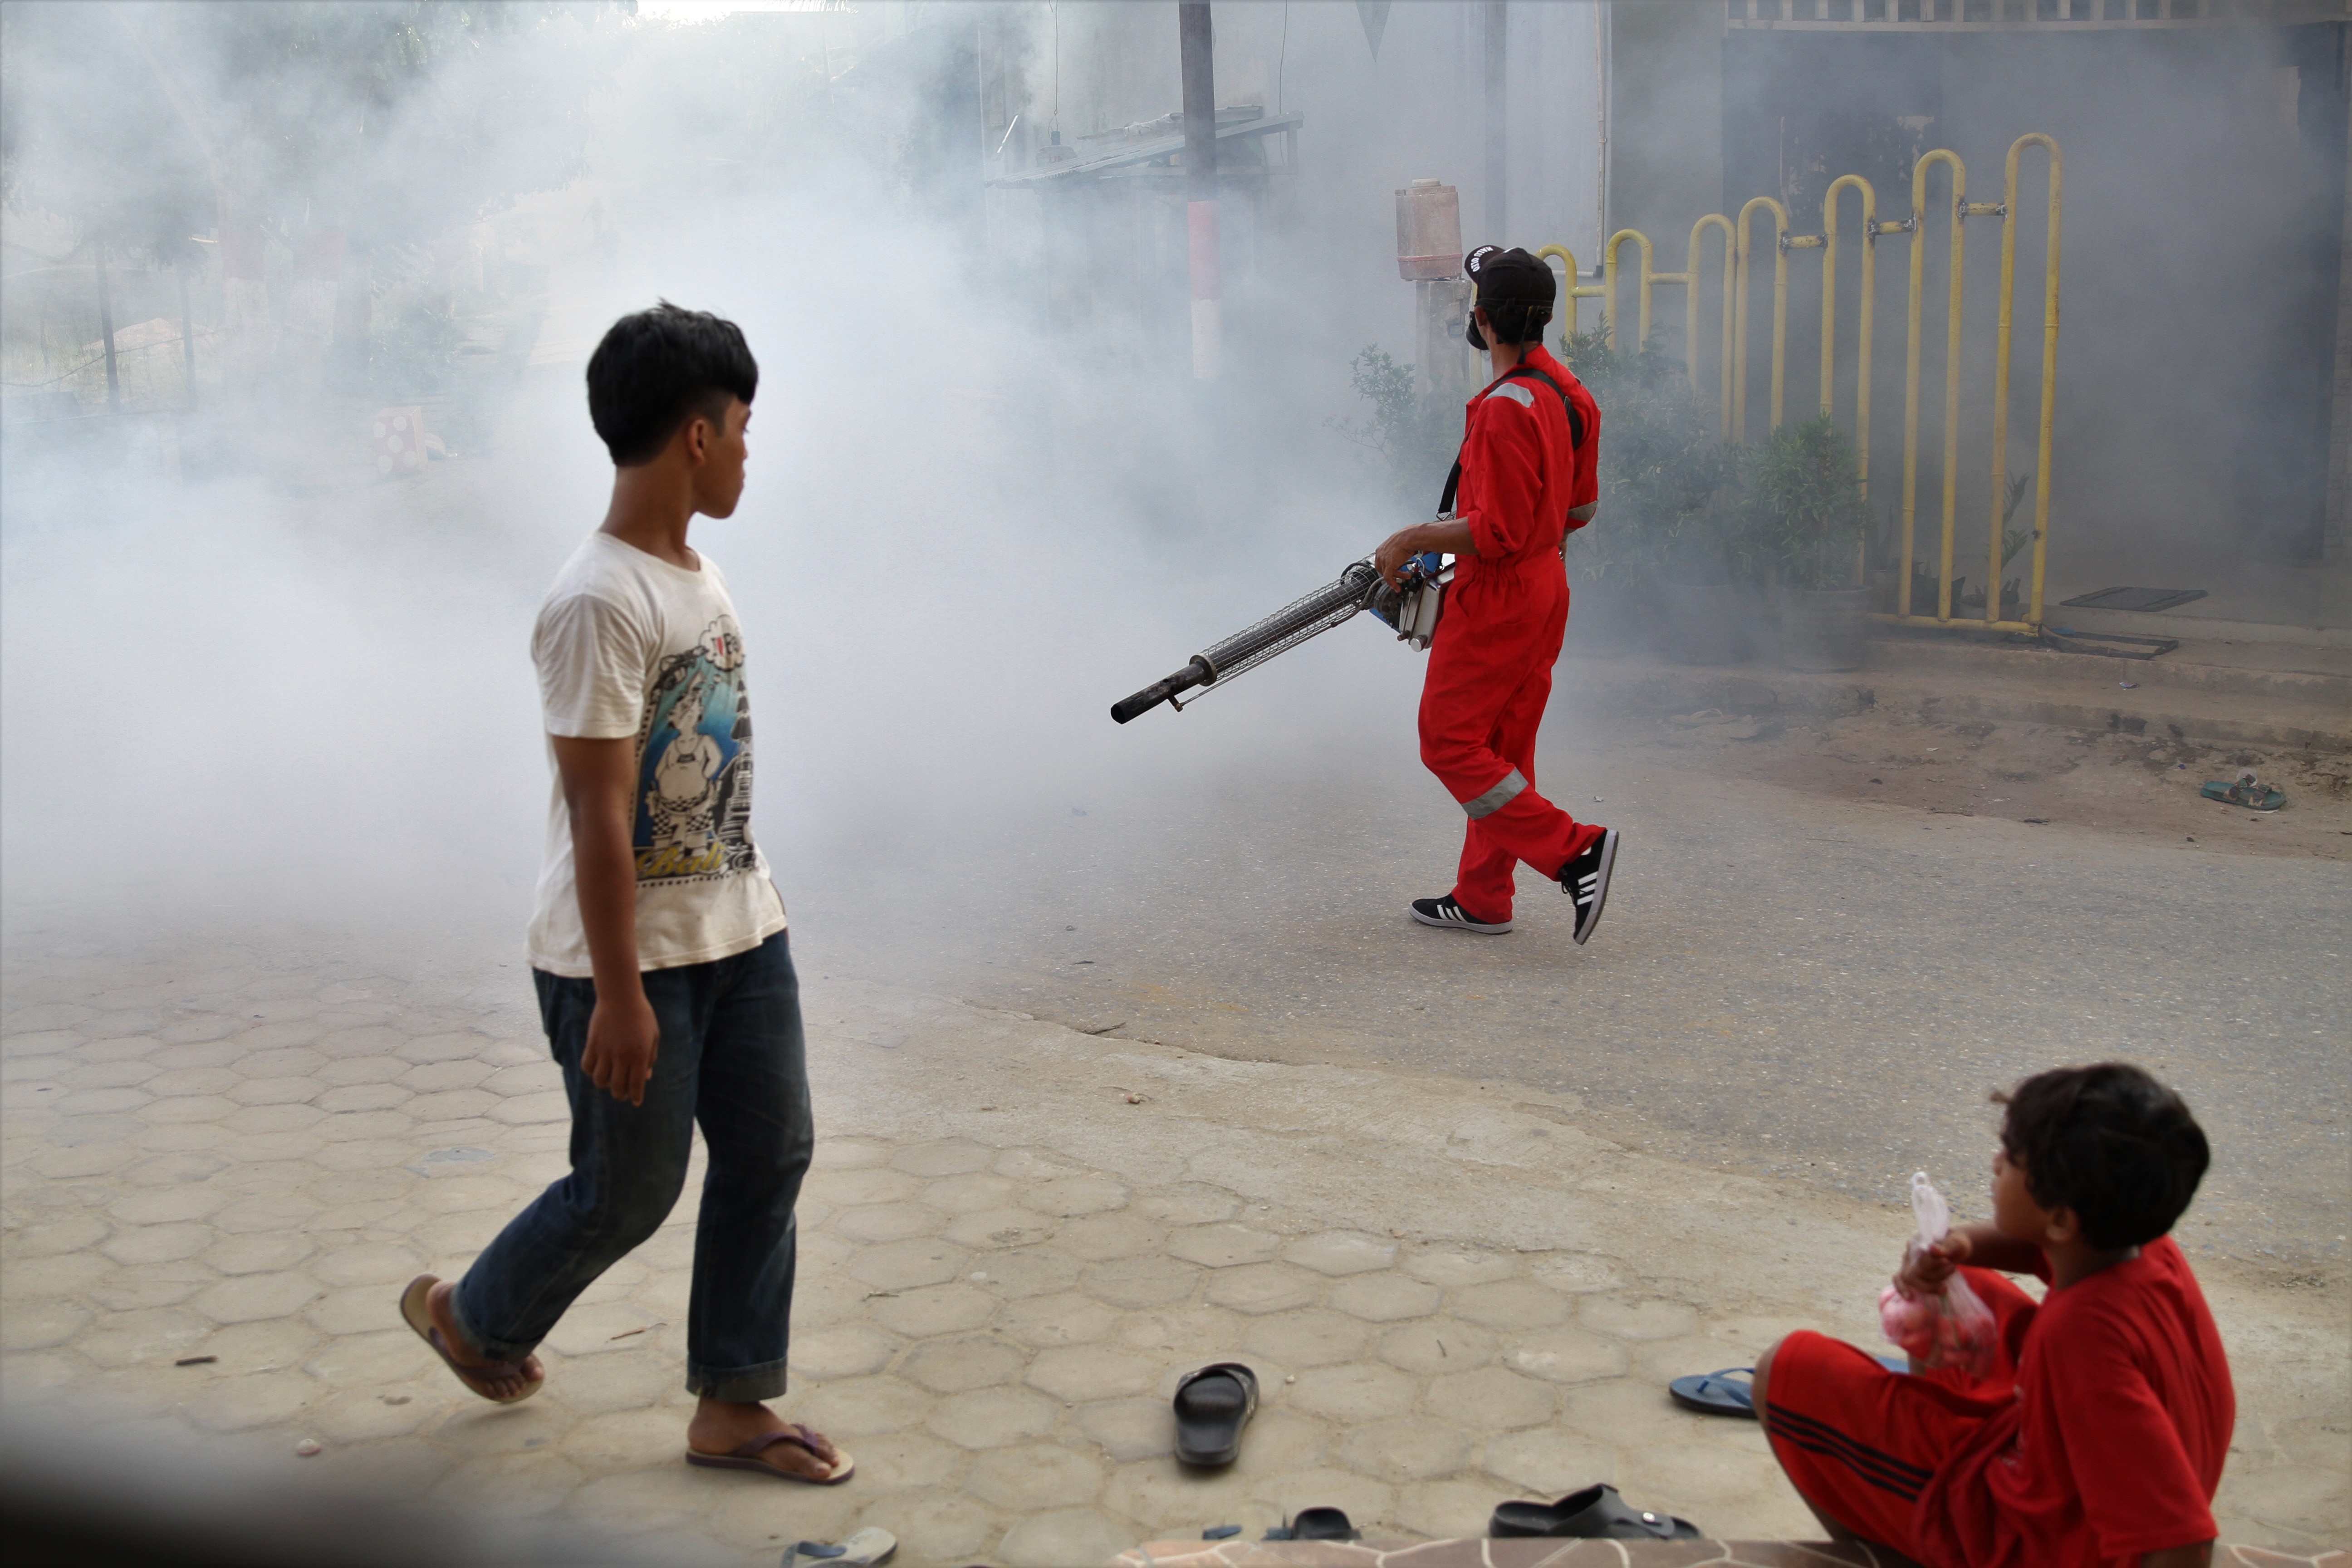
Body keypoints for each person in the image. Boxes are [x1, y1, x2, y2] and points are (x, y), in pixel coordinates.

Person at [398, 303, 850, 1485]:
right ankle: (474, 1319)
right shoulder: (597, 600)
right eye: (745, 427)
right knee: (628, 1196)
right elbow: (600, 811)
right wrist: (619, 996)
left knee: (773, 1152)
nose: (753, 450)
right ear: (697, 437)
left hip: (743, 933)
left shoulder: (693, 573)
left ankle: (734, 1405)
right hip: (627, 966)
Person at [1751, 1063, 2231, 1567]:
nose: (1997, 1163)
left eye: (2014, 1158)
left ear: (2061, 1219)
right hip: (2066, 1472)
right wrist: (1961, 1246)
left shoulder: (2080, 1338)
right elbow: (2036, 1250)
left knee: (1785, 1371)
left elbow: (2182, 1541)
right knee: (1967, 1284)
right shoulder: (2140, 1246)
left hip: (2043, 1543)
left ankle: (1897, 1548)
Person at [1372, 245, 1615, 942]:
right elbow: (1580, 511)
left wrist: (1416, 539)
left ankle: (1574, 850)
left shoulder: (1506, 410)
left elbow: (1500, 532)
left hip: (1501, 593)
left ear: (1483, 320)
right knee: (1504, 747)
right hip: (1545, 588)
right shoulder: (1571, 395)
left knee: (1448, 741)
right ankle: (1484, 897)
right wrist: (1533, 541)